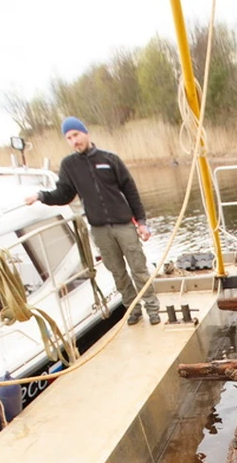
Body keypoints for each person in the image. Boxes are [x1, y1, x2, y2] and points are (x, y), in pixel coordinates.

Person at [24, 117, 160, 325]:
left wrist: (141, 221)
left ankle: (152, 309)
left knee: (139, 269)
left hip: (124, 225)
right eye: (68, 138)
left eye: (76, 135)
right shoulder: (69, 165)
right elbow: (64, 195)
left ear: (86, 133)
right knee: (118, 272)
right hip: (99, 229)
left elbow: (130, 191)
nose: (73, 141)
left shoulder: (110, 159)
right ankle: (132, 309)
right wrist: (41, 196)